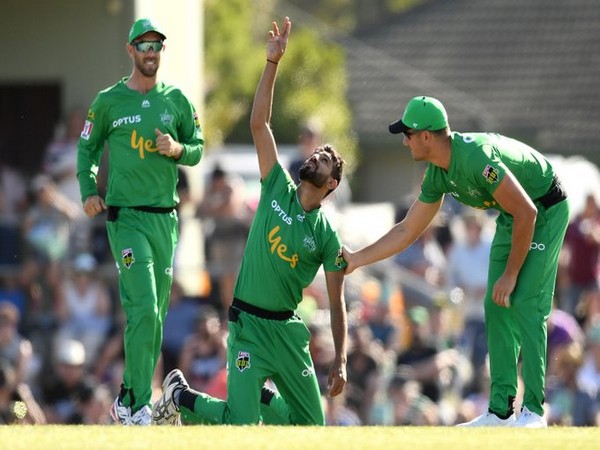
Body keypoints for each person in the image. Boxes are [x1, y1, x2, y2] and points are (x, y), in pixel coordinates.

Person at [152, 16, 348, 426]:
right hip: (248, 327)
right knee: (239, 426)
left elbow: (337, 299)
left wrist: (341, 358)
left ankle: (255, 391)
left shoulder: (326, 234)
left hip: (289, 334)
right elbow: (260, 124)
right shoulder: (277, 185)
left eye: (323, 160)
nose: (312, 158)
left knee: (311, 429)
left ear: (331, 183)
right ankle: (181, 397)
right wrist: (272, 63)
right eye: (315, 155)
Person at [343, 96, 570, 428]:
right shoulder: (437, 174)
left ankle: (535, 411)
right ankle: (501, 412)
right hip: (514, 216)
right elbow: (407, 230)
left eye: (407, 134)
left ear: (426, 136)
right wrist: (357, 259)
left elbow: (528, 211)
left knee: (525, 303)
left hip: (544, 209)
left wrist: (511, 274)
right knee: (496, 307)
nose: (404, 141)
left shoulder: (476, 159)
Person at [77, 17, 204, 425]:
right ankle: (133, 401)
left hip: (165, 219)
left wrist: (177, 149)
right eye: (143, 46)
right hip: (126, 218)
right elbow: (86, 149)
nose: (150, 53)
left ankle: (133, 403)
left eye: (156, 46)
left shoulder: (177, 100)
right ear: (130, 50)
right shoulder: (109, 100)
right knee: (144, 309)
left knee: (157, 316)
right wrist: (87, 192)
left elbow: (198, 149)